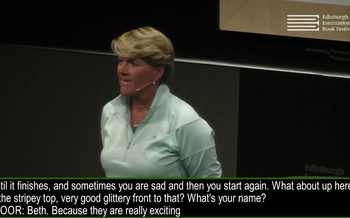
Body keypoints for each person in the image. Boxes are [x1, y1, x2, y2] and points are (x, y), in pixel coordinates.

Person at [100, 26, 221, 177]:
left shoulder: (186, 123)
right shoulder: (110, 111)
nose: (122, 70)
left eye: (134, 63)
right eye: (120, 61)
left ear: (158, 72)